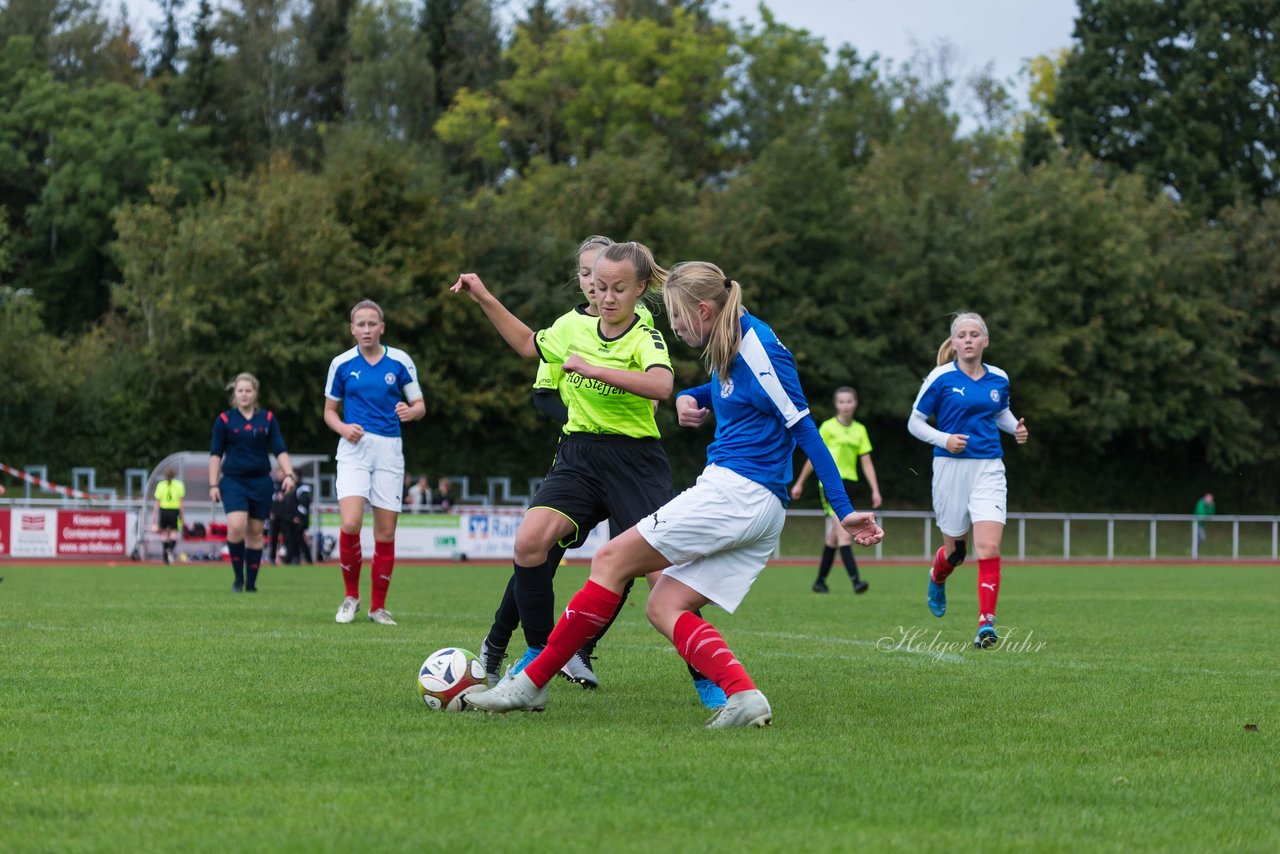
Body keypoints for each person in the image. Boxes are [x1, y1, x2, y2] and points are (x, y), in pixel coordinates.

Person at [468, 261, 884, 727]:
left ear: (703, 310)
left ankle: (528, 685)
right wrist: (695, 395)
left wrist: (844, 510)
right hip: (757, 503)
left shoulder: (758, 346)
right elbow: (737, 389)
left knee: (609, 561)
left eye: (678, 316)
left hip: (737, 492)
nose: (674, 326)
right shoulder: (734, 338)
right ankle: (744, 697)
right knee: (664, 604)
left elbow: (803, 426)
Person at [453, 242, 727, 705]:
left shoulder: (645, 334)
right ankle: (538, 660)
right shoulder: (569, 326)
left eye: (619, 288)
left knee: (661, 579)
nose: (607, 297)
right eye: (599, 287)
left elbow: (661, 384)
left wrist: (593, 368)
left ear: (640, 289)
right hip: (579, 455)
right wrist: (483, 296)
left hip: (636, 462)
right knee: (529, 542)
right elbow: (526, 344)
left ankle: (707, 676)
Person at [908, 312, 1028, 649]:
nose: (969, 340)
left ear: (985, 341)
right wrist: (943, 439)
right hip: (950, 468)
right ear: (954, 342)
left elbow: (1000, 412)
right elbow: (915, 423)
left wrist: (1014, 428)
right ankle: (937, 575)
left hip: (989, 466)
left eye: (975, 334)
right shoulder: (940, 378)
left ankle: (986, 625)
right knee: (957, 552)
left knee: (988, 546)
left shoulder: (999, 378)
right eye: (962, 335)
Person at [324, 298, 425, 625]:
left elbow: (419, 404)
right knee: (351, 522)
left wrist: (411, 412)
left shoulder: (399, 361)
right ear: (352, 329)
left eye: (372, 324)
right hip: (354, 448)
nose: (366, 330)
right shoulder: (341, 364)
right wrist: (342, 427)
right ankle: (350, 597)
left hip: (389, 449)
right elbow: (329, 411)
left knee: (385, 532)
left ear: (381, 327)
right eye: (360, 324)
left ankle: (377, 607)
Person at [209, 373, 297, 592]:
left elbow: (279, 449)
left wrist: (289, 473)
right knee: (237, 526)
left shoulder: (267, 419)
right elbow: (215, 454)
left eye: (248, 390)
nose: (244, 394)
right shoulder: (225, 420)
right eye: (240, 390)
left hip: (260, 483)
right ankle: (238, 580)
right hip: (233, 482)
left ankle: (251, 584)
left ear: (255, 393)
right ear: (234, 394)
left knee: (256, 532)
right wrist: (213, 484)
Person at [791, 386, 882, 595]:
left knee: (833, 538)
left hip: (850, 484)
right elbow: (814, 458)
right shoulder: (827, 427)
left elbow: (867, 463)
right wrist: (800, 483)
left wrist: (875, 490)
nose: (845, 405)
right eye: (841, 401)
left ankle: (820, 581)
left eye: (849, 401)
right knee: (844, 536)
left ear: (855, 403)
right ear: (836, 405)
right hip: (830, 486)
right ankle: (856, 581)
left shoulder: (860, 430)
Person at [151, 468, 185, 565]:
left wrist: (154, 517)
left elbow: (157, 502)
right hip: (174, 510)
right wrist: (183, 516)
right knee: (174, 533)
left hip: (164, 510)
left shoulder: (161, 485)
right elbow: (181, 502)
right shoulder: (179, 484)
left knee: (164, 534)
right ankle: (170, 549)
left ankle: (165, 557)